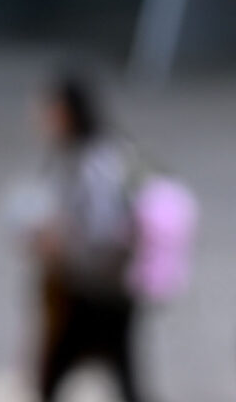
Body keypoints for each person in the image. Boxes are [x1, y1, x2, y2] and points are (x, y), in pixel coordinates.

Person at [8, 72, 149, 402]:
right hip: (97, 287)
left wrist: (59, 241)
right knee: (121, 377)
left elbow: (102, 232)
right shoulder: (81, 155)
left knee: (54, 378)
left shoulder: (94, 163)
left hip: (92, 290)